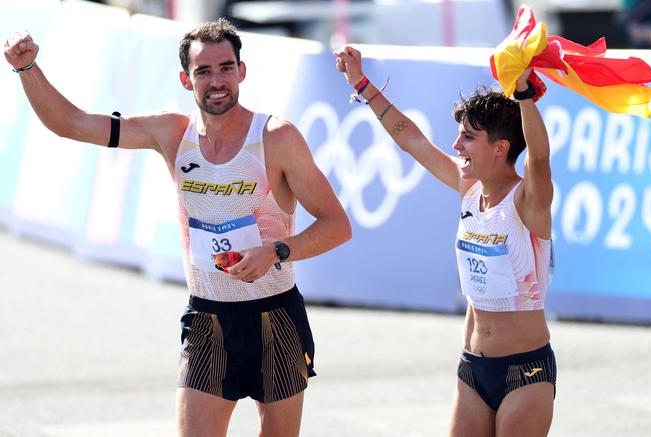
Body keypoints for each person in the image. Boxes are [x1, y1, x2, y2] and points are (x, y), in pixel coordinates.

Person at [4, 18, 351, 437]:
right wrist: (27, 69)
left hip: (275, 316)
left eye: (225, 68)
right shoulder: (172, 133)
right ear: (187, 80)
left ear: (242, 71)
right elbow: (71, 124)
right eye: (204, 72)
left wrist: (276, 251)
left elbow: (337, 225)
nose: (216, 81)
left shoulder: (276, 137)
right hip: (208, 317)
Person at [335, 46, 555, 436]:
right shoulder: (468, 187)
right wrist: (362, 84)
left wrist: (523, 96)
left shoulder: (528, 202)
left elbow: (538, 159)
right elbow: (412, 140)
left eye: (468, 138)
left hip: (526, 370)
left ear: (501, 148)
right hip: (473, 367)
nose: (456, 147)